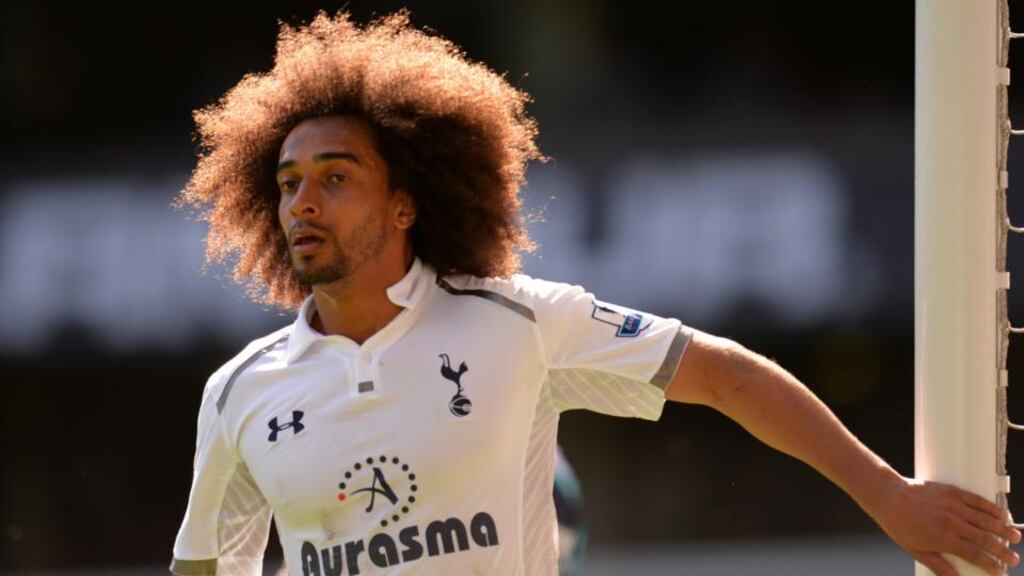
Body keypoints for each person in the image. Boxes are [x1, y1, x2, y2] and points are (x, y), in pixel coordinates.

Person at [170, 11, 1020, 576]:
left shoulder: (520, 324)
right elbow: (207, 566)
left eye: (335, 176)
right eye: (285, 183)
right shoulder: (241, 392)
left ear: (405, 202)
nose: (303, 202)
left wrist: (888, 494)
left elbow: (726, 377)